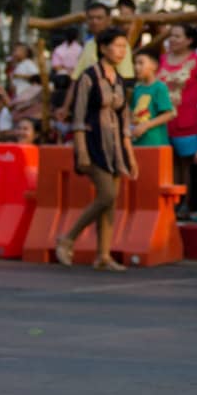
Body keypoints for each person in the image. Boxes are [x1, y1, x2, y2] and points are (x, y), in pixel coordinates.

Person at [55, 26, 137, 271]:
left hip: (115, 145)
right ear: (103, 48)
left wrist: (129, 154)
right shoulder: (89, 77)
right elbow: (78, 116)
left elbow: (124, 120)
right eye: (117, 46)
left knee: (110, 202)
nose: (122, 51)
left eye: (125, 46)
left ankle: (103, 255)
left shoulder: (120, 80)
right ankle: (68, 237)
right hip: (93, 142)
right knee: (106, 195)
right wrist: (80, 150)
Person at [158, 22, 197, 216]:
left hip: (189, 121)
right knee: (170, 163)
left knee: (188, 164)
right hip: (163, 122)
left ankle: (188, 203)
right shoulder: (162, 59)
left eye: (177, 36)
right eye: (171, 36)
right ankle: (172, 202)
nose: (172, 40)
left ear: (189, 40)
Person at [129, 45, 174, 146]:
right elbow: (132, 113)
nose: (136, 67)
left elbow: (168, 114)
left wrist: (146, 125)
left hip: (155, 142)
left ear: (154, 65)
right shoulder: (137, 89)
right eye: (135, 63)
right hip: (138, 141)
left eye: (141, 63)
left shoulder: (160, 87)